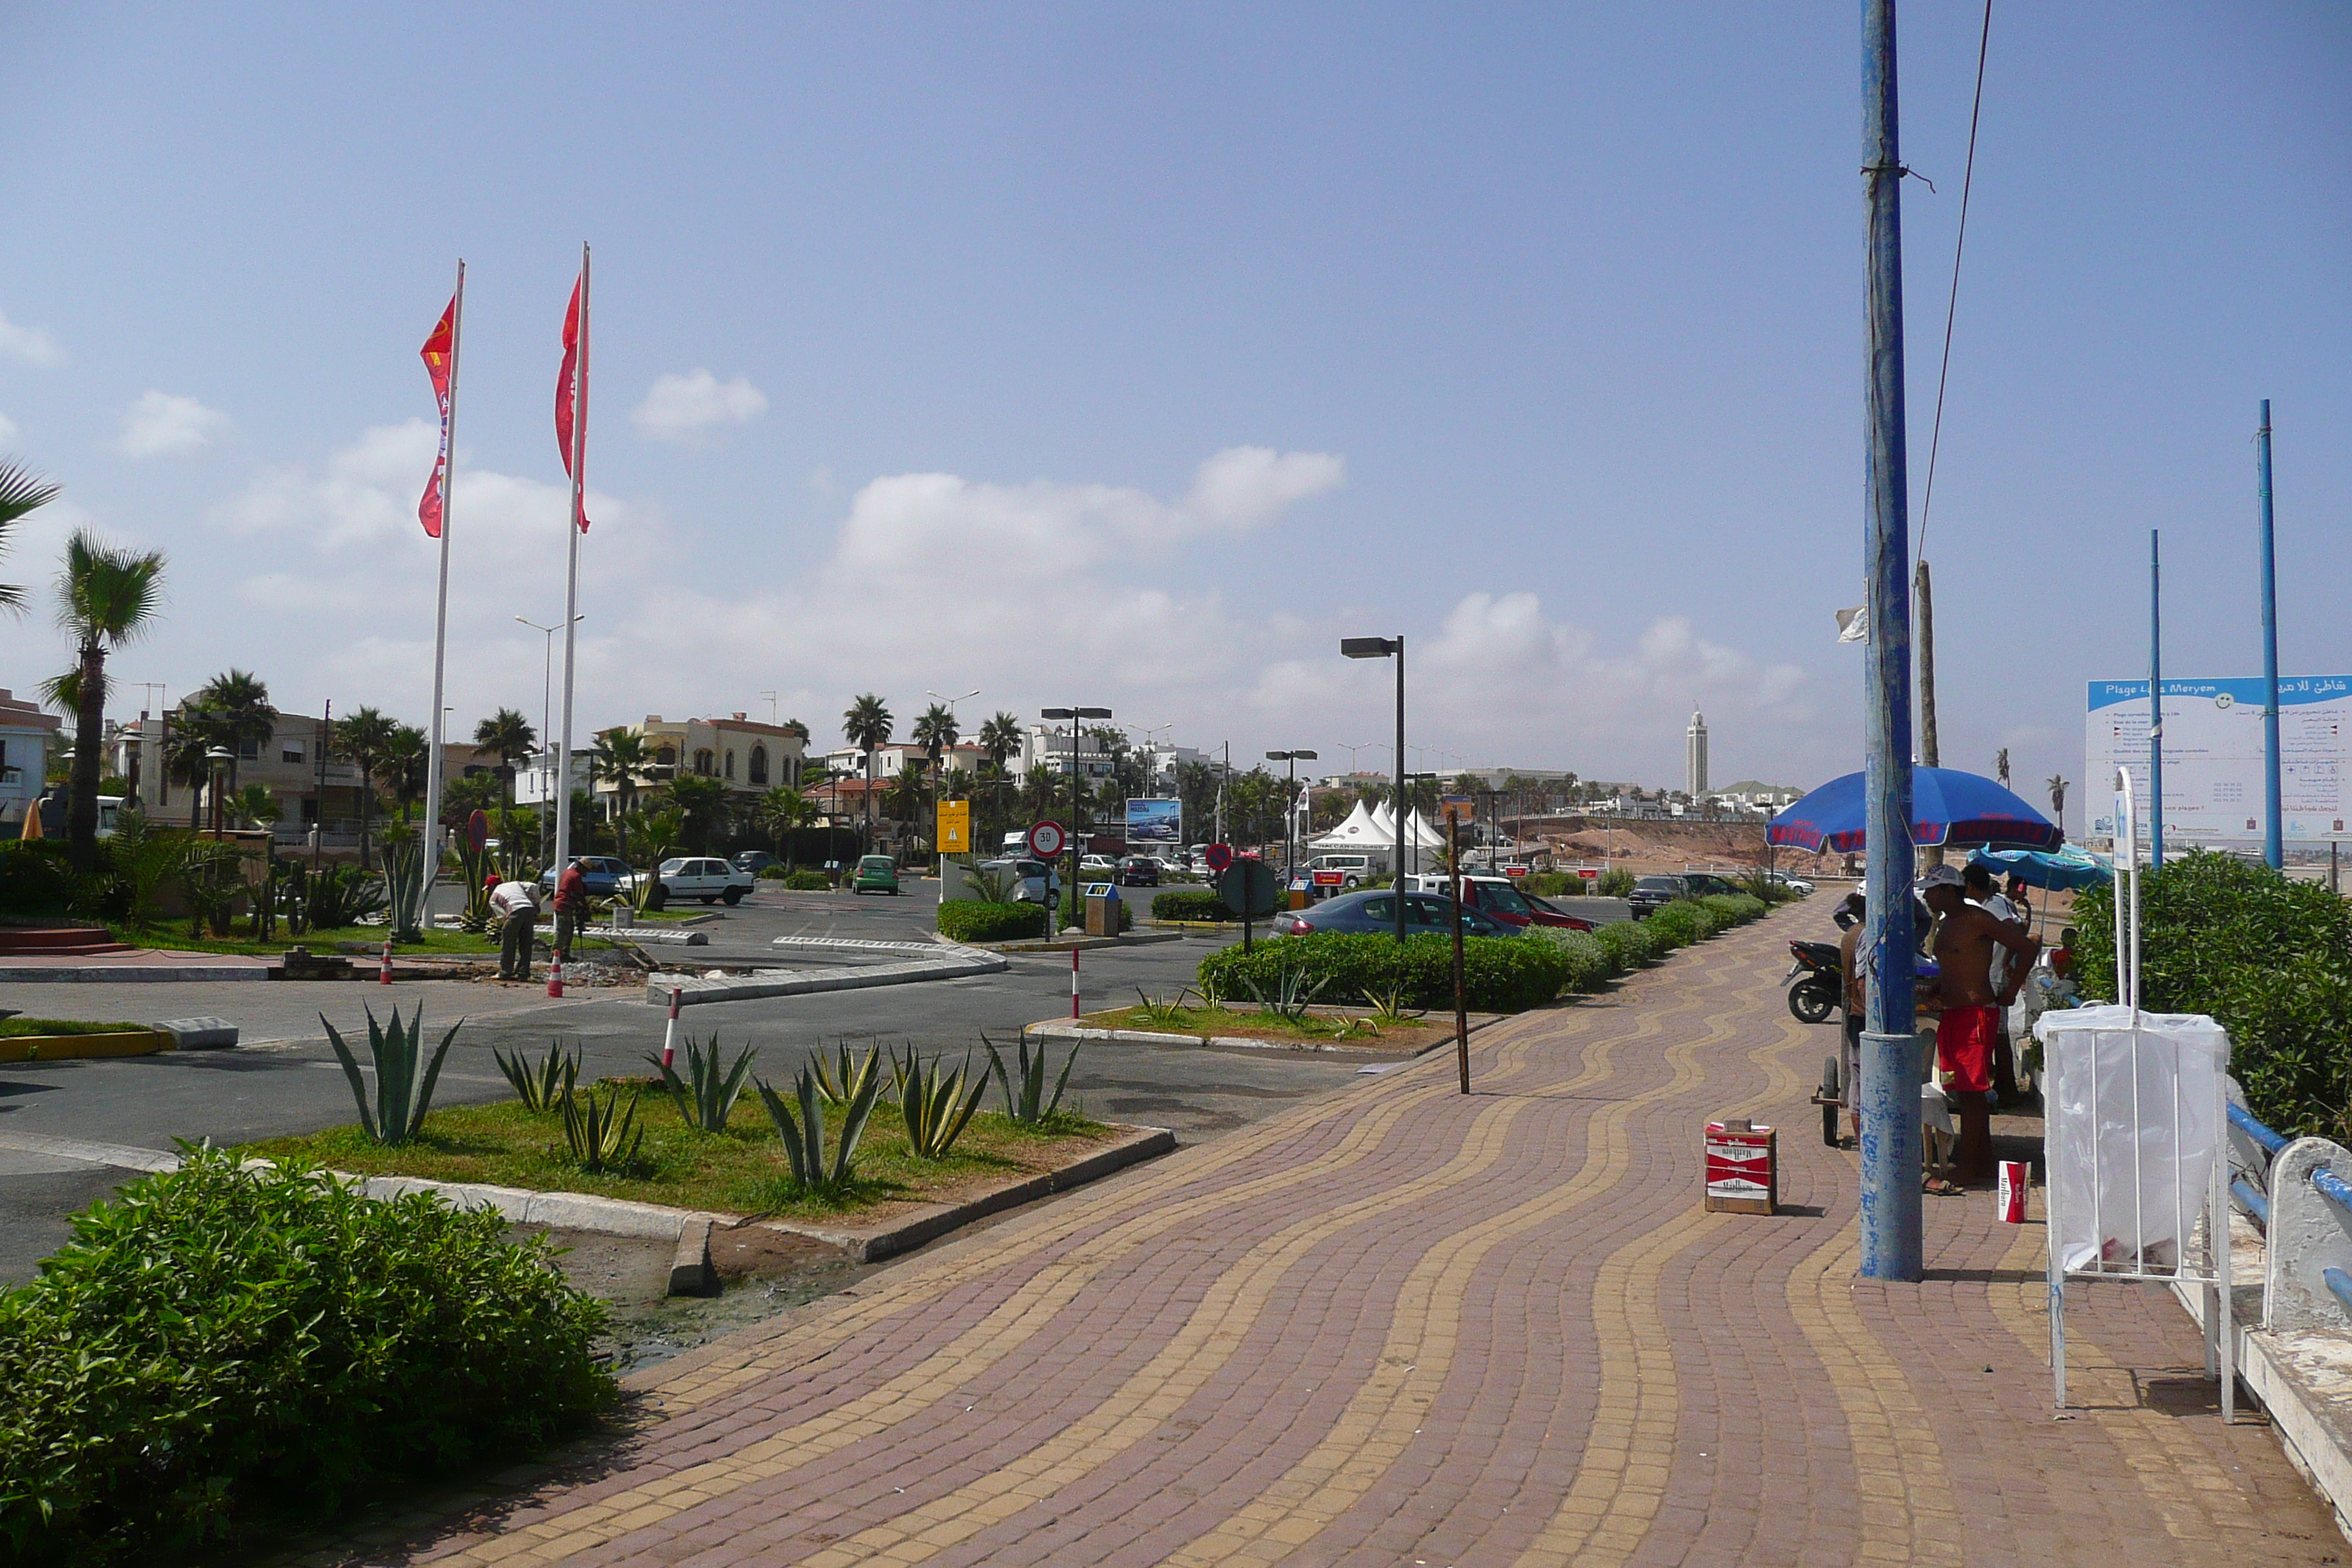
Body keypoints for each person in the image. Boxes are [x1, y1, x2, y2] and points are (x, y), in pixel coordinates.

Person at [1918, 864, 2040, 1183]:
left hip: (1976, 1014)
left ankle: (1971, 1166)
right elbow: (1954, 968)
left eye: (1932, 890)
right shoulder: (1946, 924)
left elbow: (2027, 947)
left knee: (1972, 1094)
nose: (1928, 896)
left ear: (1947, 890)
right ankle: (1981, 1161)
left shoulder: (1978, 919)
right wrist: (1935, 990)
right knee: (1962, 1090)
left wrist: (2011, 990)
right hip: (1955, 1012)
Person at [1961, 863, 2028, 1107]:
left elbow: (2015, 932)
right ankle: (2003, 1086)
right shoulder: (1988, 906)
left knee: (1997, 1036)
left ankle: (2006, 1088)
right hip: (1994, 977)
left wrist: (2008, 961)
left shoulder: (1994, 906)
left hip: (1996, 979)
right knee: (1994, 1035)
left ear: (1969, 886)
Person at [489, 877, 541, 981]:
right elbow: (533, 886)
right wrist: (536, 903)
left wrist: (505, 923)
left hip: (514, 912)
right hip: (529, 910)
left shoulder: (493, 897)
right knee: (526, 944)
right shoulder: (515, 884)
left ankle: (505, 972)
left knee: (508, 943)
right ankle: (523, 972)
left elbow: (502, 916)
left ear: (491, 886)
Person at [551, 856, 589, 964]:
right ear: (582, 867)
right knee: (562, 931)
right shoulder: (576, 876)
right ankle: (555, 955)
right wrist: (585, 907)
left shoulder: (568, 872)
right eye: (587, 870)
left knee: (569, 930)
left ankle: (564, 953)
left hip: (561, 903)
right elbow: (579, 894)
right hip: (564, 905)